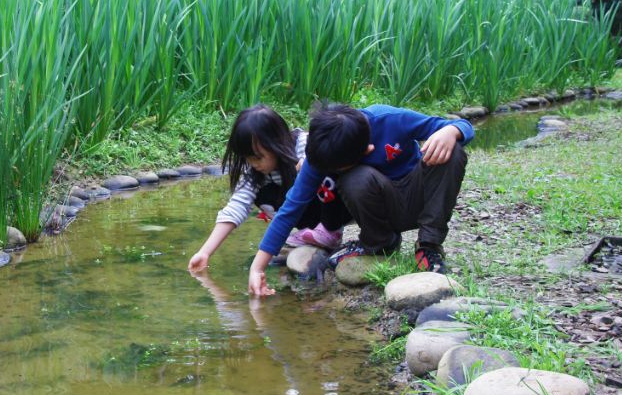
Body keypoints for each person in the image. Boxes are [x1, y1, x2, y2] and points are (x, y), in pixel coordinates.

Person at [247, 103, 473, 296]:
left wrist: (452, 130)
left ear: (367, 150)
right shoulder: (322, 152)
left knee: (453, 151)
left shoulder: (390, 119)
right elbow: (290, 208)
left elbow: (465, 126)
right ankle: (380, 242)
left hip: (419, 197)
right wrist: (258, 268)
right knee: (356, 179)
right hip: (383, 204)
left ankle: (429, 244)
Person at [188, 105, 350, 272]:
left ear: (276, 144)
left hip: (334, 207)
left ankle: (331, 230)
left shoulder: (304, 144)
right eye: (248, 159)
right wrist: (205, 252)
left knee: (318, 165)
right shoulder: (254, 173)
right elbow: (236, 207)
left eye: (258, 157)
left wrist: (306, 163)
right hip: (303, 211)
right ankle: (311, 232)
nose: (253, 164)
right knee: (264, 193)